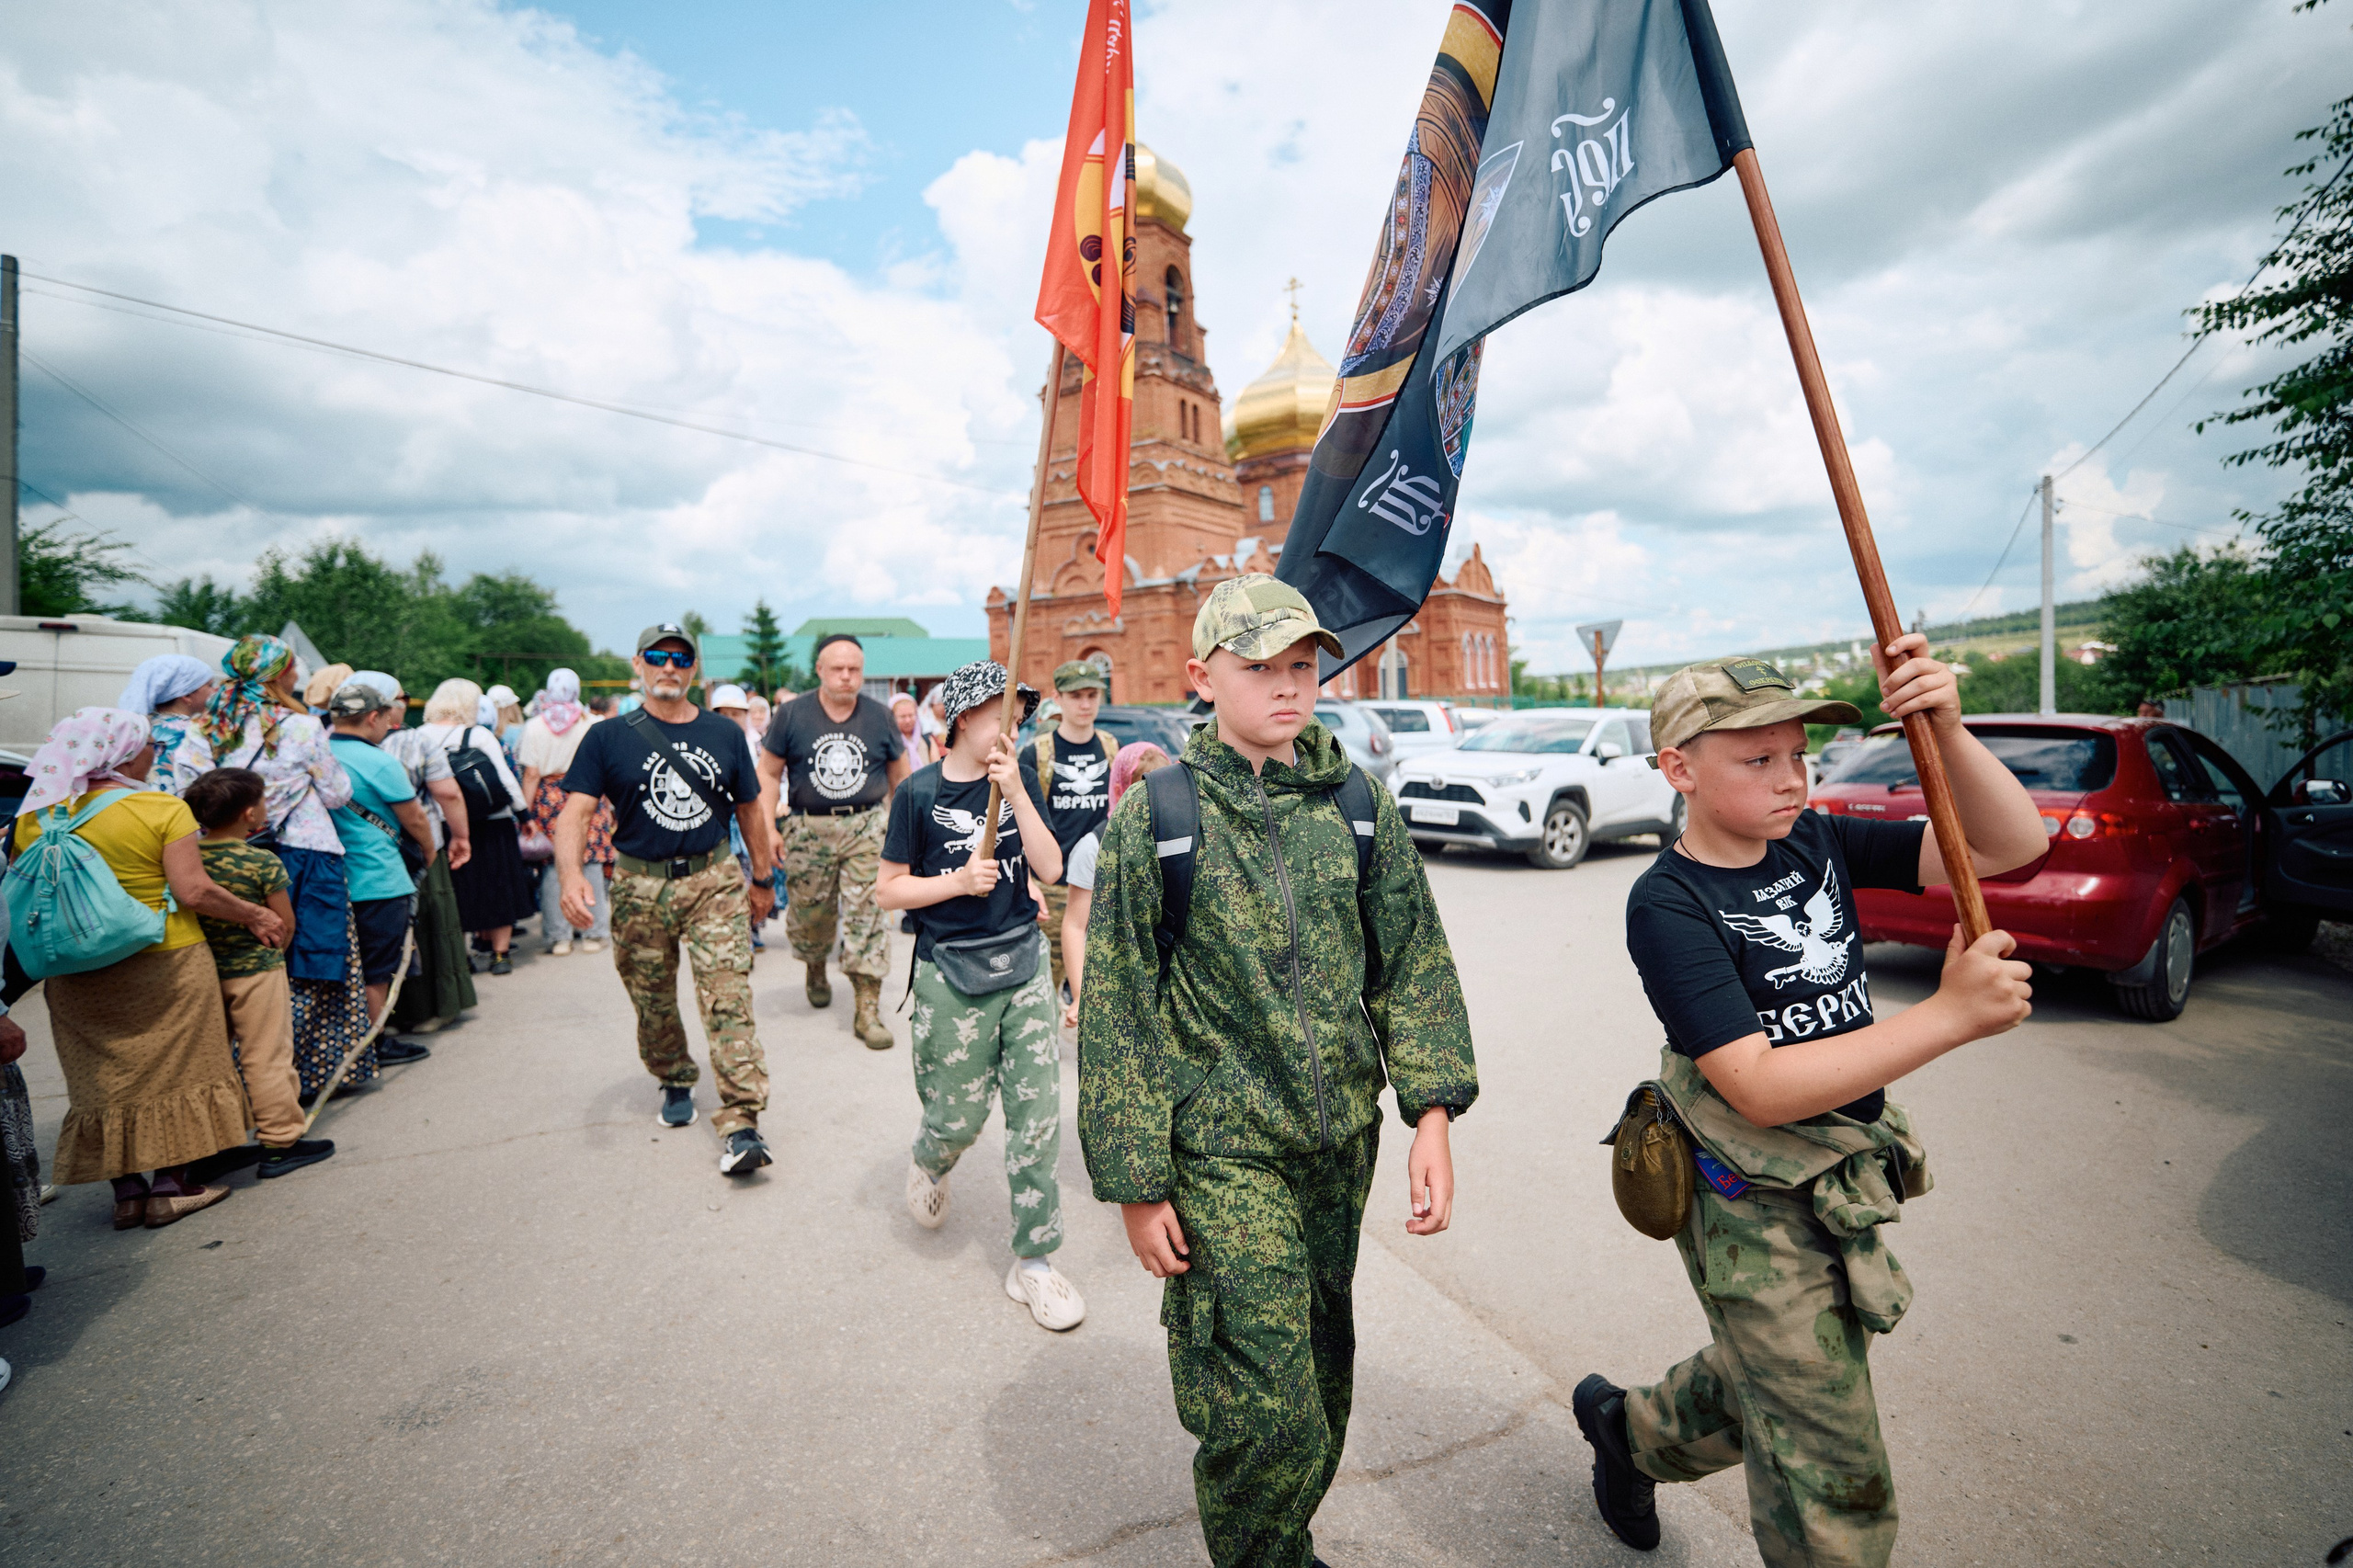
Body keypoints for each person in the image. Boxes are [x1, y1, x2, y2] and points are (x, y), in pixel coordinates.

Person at [1574, 644, 2042, 1566]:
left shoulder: (1813, 837)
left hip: (1834, 1167)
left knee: (1785, 1374)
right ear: (1679, 769)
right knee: (1833, 1471)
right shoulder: (1667, 901)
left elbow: (2007, 845)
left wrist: (1946, 727)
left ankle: (1626, 1430)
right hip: (1745, 1190)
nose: (1792, 776)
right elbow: (1758, 1082)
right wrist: (1947, 1015)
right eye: (1759, 759)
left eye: (1798, 753)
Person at [1076, 575, 1476, 1568]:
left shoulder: (1354, 802)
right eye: (1259, 667)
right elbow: (1119, 1004)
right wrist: (1135, 1183)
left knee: (1321, 1362)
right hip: (1220, 1151)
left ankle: (1279, 1538)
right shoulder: (1158, 813)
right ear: (1201, 676)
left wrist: (1431, 1114)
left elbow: (1412, 962)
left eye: (1302, 665)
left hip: (1338, 1144)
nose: (1287, 686)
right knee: (1265, 1402)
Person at [14, 710, 287, 1229]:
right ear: (121, 753)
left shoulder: (38, 815)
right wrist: (256, 913)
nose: (154, 755)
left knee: (102, 1077)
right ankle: (171, 1185)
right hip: (165, 959)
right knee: (181, 1068)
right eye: (147, 747)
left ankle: (127, 1195)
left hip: (73, 969)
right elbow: (194, 891)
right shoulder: (160, 807)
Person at [876, 659, 1084, 1332]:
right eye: (1003, 714)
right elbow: (889, 890)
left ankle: (1036, 1264)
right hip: (951, 974)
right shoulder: (918, 794)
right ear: (965, 718)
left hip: (1024, 968)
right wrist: (956, 884)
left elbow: (1051, 869)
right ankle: (929, 1160)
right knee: (958, 1117)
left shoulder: (1019, 781)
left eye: (1020, 716)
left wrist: (1018, 794)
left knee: (1037, 1123)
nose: (1014, 726)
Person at [554, 622, 778, 1177]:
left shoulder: (724, 736)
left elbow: (750, 809)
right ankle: (675, 1075)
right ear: (639, 665)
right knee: (652, 999)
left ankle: (742, 1119)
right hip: (638, 885)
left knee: (728, 997)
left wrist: (764, 879)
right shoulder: (608, 737)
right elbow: (575, 813)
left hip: (713, 881)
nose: (669, 667)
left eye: (681, 659)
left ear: (694, 670)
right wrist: (568, 877)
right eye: (658, 657)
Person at [199, 635, 370, 1102]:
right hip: (304, 850)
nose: (298, 674)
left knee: (250, 968)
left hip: (228, 856)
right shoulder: (301, 727)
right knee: (315, 963)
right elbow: (336, 794)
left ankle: (243, 1083)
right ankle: (308, 1076)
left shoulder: (212, 728)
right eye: (292, 667)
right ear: (278, 675)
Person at [756, 633, 908, 1048]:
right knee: (811, 915)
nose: (846, 676)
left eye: (854, 669)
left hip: (866, 829)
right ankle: (815, 963)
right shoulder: (791, 714)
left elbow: (901, 777)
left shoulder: (880, 716)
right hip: (808, 830)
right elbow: (768, 774)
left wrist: (905, 829)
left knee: (869, 914)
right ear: (820, 670)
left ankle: (867, 1008)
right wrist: (767, 828)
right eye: (837, 668)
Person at [183, 767, 336, 1177]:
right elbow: (282, 923)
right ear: (250, 814)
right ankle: (280, 1142)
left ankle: (210, 1148)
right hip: (255, 971)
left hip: (201, 971)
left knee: (209, 1062)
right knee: (266, 1056)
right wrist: (274, 953)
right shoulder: (261, 861)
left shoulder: (187, 861)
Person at [325, 679, 436, 1051]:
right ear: (373, 717)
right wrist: (429, 851)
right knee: (378, 968)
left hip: (328, 878)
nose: (390, 725)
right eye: (387, 718)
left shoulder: (317, 753)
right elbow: (415, 819)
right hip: (378, 877)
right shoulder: (380, 761)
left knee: (345, 965)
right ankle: (374, 1043)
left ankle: (348, 1039)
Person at [421, 679, 533, 975]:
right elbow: (506, 779)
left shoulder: (420, 736)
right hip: (492, 822)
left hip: (446, 824)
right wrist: (524, 816)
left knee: (458, 890)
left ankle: (462, 956)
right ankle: (500, 955)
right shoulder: (478, 734)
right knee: (499, 886)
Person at [1059, 741, 1170, 1032]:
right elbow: (1074, 926)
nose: (1150, 805)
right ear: (1120, 790)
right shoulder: (1092, 849)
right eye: (1140, 794)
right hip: (1112, 983)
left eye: (1159, 795)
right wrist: (1082, 994)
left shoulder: (1174, 839)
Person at [1031, 661, 1116, 1002]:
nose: (1085, 704)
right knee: (1045, 985)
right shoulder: (1038, 753)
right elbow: (1023, 824)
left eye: (1092, 695)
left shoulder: (1110, 746)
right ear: (1058, 699)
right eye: (1076, 695)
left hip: (1097, 884)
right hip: (1052, 886)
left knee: (1097, 982)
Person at [517, 668, 613, 957]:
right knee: (592, 862)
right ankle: (594, 933)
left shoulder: (534, 726)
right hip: (587, 794)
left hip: (548, 798)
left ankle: (559, 937)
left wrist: (526, 814)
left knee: (552, 865)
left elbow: (532, 773)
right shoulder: (590, 723)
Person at [119, 653, 219, 793]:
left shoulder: (140, 728)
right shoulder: (197, 731)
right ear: (187, 695)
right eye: (209, 685)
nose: (215, 691)